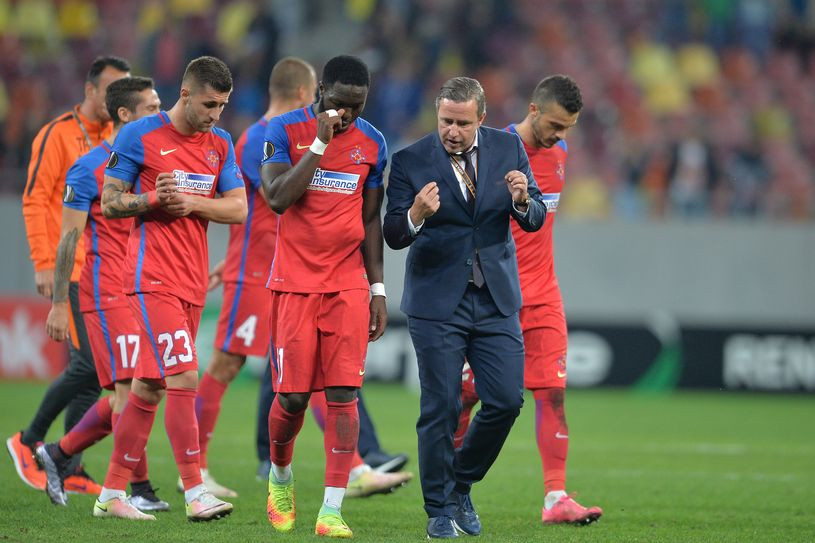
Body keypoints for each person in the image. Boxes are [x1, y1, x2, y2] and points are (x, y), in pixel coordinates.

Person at [383, 76, 546, 539]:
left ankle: (461, 483)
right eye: (445, 121)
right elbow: (394, 233)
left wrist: (520, 201)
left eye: (461, 123)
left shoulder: (509, 150)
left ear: (482, 118)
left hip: (494, 299)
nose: (452, 131)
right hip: (437, 303)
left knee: (506, 401)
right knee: (442, 405)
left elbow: (534, 218)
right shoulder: (411, 160)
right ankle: (438, 509)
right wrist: (415, 213)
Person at [93, 56, 247, 521]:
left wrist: (193, 202)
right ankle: (196, 489)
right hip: (149, 276)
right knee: (184, 375)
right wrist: (153, 198)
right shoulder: (140, 135)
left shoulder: (219, 144)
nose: (215, 114)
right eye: (208, 104)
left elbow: (238, 208)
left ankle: (112, 494)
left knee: (149, 386)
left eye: (222, 106)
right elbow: (111, 201)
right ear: (184, 94)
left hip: (192, 280)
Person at [454, 75, 603, 525]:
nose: (561, 135)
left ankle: (555, 498)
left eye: (569, 127)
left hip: (543, 296)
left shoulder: (559, 153)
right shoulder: (490, 150)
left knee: (553, 394)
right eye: (556, 124)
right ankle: (450, 485)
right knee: (467, 396)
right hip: (496, 299)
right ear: (534, 110)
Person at [260, 54, 388, 538]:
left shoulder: (373, 143)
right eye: (339, 104)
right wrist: (319, 142)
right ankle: (280, 477)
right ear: (320, 94)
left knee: (343, 394)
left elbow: (371, 219)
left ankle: (331, 510)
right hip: (294, 283)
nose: (348, 116)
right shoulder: (284, 130)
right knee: (291, 399)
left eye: (357, 107)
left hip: (348, 284)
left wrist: (377, 288)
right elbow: (276, 197)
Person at [35, 76, 168, 512]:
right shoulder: (87, 167)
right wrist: (58, 303)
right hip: (106, 291)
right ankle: (133, 489)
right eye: (151, 107)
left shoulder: (150, 161)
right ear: (125, 116)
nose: (160, 113)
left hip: (142, 288)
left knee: (137, 391)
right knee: (132, 393)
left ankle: (60, 454)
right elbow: (68, 238)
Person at [193, 56, 319, 499]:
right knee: (226, 363)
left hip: (270, 270)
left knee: (305, 366)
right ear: (304, 93)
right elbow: (267, 203)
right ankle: (194, 468)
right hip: (253, 272)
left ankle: (357, 460)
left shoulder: (276, 135)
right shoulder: (259, 138)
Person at [9, 56, 131, 494]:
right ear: (91, 89)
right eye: (112, 89)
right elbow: (36, 198)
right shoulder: (58, 133)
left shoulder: (122, 141)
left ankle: (71, 465)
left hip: (107, 269)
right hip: (71, 267)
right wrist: (44, 263)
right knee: (86, 366)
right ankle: (29, 440)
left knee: (95, 372)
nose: (119, 99)